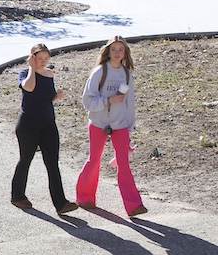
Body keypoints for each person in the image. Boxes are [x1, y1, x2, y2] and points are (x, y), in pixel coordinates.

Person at [76, 36, 147, 218]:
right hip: (99, 123)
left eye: (120, 50)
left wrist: (129, 126)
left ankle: (134, 205)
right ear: (108, 51)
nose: (117, 53)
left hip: (120, 124)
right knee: (94, 159)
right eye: (114, 49)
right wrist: (108, 100)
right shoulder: (100, 72)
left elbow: (129, 102)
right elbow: (87, 100)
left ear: (125, 53)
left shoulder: (126, 74)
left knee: (124, 163)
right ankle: (84, 197)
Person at [11, 43, 79, 215]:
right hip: (28, 123)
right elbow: (30, 88)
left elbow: (45, 98)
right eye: (39, 58)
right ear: (32, 57)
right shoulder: (25, 74)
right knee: (26, 159)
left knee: (52, 163)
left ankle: (61, 203)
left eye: (45, 59)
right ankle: (17, 195)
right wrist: (32, 68)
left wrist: (57, 97)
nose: (43, 62)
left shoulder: (50, 74)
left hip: (48, 123)